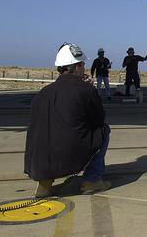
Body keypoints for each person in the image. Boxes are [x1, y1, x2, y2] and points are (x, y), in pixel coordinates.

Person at [24, 43, 111, 197]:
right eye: (82, 65)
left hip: (40, 162)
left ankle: (44, 184)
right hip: (69, 156)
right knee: (104, 130)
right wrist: (90, 91)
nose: (84, 68)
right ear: (77, 67)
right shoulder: (86, 90)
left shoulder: (43, 93)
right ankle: (92, 180)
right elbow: (98, 119)